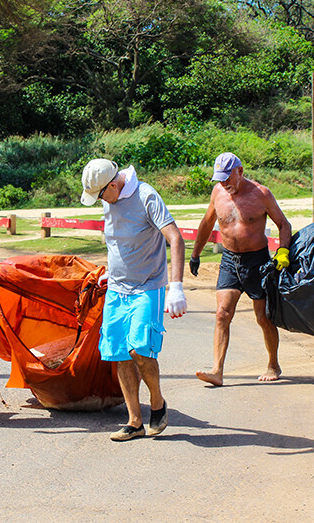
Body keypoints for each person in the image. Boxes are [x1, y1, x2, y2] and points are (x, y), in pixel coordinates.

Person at [80, 158, 187, 442]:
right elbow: (116, 242)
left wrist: (176, 285)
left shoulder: (146, 196)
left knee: (140, 348)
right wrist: (110, 273)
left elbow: (175, 239)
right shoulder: (109, 200)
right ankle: (134, 421)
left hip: (147, 286)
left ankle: (157, 402)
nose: (101, 200)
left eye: (101, 194)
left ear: (113, 184)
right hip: (117, 288)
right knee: (118, 352)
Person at [189, 153, 292, 386]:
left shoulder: (261, 194)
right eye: (220, 179)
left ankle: (273, 364)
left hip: (257, 261)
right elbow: (206, 223)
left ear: (240, 171)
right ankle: (217, 371)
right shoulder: (218, 192)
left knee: (263, 318)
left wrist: (283, 252)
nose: (225, 183)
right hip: (229, 261)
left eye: (228, 177)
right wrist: (195, 254)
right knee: (222, 314)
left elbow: (284, 224)